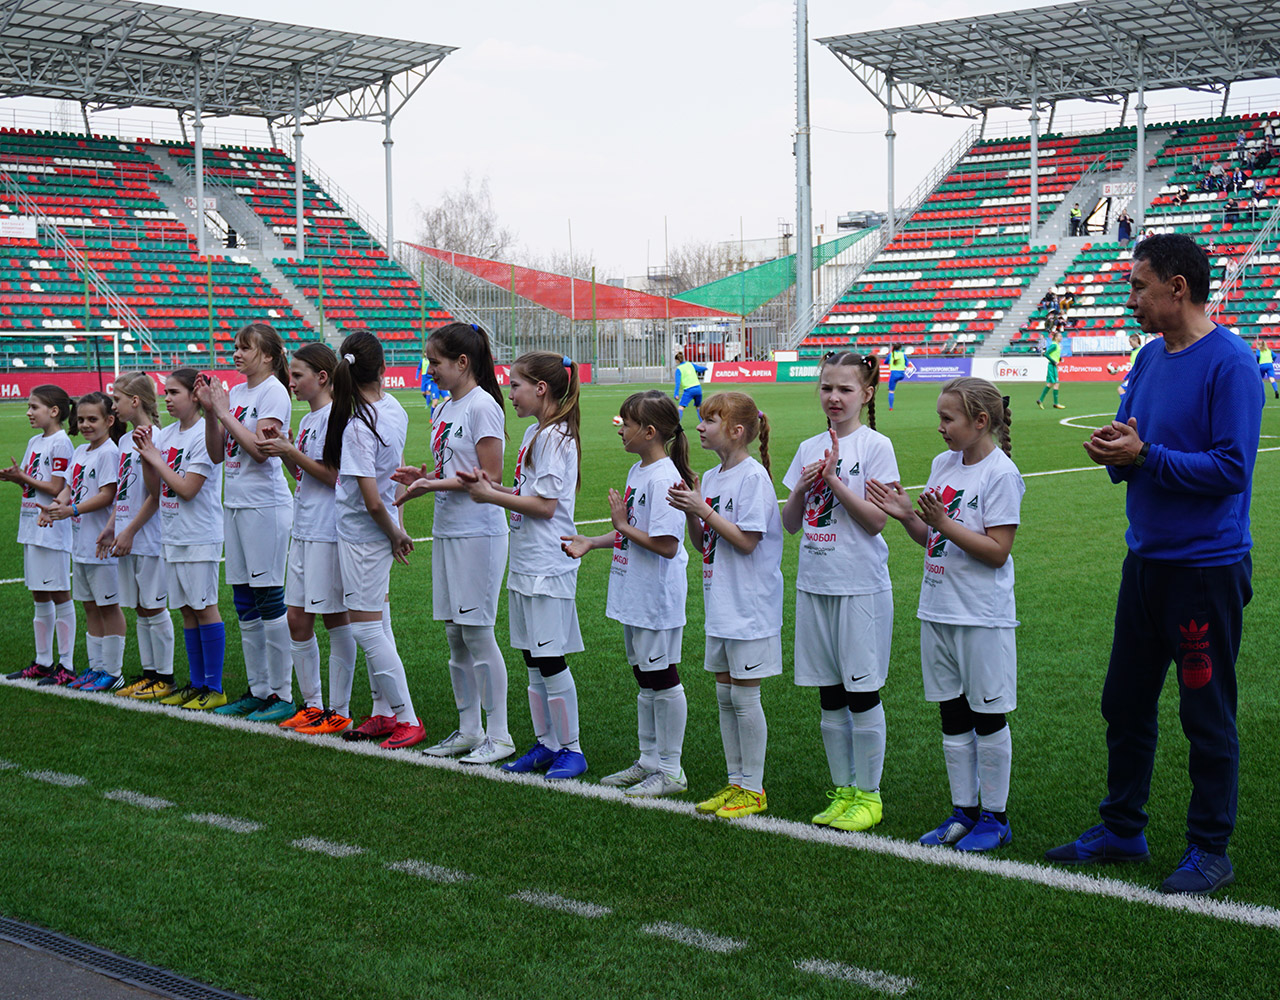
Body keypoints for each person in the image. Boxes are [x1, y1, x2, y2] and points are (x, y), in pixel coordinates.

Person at [1048, 233, 1263, 896]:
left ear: (1178, 287)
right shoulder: (1147, 356)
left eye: (1139, 287)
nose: (1130, 299)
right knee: (1124, 702)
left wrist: (1143, 457)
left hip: (1205, 570)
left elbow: (1231, 469)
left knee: (1206, 713)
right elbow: (1131, 436)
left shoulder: (1231, 363)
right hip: (1145, 561)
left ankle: (1210, 848)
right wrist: (1114, 449)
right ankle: (1123, 829)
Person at [868, 378, 1023, 852]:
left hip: (981, 615)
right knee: (952, 714)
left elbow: (997, 552)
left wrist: (941, 522)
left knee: (987, 715)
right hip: (937, 609)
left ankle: (995, 818)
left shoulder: (1001, 474)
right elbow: (933, 539)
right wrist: (908, 516)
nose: (940, 427)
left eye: (947, 418)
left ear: (980, 422)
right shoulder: (943, 464)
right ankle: (964, 812)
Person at [781, 352, 898, 832]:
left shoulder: (876, 446)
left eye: (845, 389)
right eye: (827, 387)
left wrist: (833, 479)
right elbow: (790, 524)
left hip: (859, 586)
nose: (834, 397)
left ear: (866, 394)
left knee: (861, 691)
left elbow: (876, 521)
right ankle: (843, 790)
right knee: (829, 694)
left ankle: (869, 795)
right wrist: (802, 488)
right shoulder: (809, 446)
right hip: (815, 583)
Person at [459, 352, 587, 780]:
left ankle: (571, 747)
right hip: (527, 560)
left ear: (541, 388)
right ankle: (546, 742)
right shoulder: (537, 432)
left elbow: (546, 507)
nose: (510, 393)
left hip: (548, 564)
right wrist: (493, 488)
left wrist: (492, 496)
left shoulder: (555, 437)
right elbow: (529, 493)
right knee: (532, 658)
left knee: (550, 659)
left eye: (515, 385)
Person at [561, 390, 693, 798]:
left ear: (649, 432)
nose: (620, 430)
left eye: (627, 423)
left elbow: (666, 544)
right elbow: (633, 530)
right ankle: (649, 760)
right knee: (644, 678)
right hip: (634, 589)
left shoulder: (665, 478)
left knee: (662, 678)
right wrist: (594, 541)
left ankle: (671, 770)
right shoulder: (640, 470)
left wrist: (620, 526)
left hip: (655, 595)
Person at [394, 322, 512, 765]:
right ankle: (468, 730)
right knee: (454, 634)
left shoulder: (483, 406)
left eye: (436, 362)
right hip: (448, 528)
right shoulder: (445, 407)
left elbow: (491, 477)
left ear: (463, 363)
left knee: (477, 633)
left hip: (479, 532)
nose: (430, 369)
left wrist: (432, 485)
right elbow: (452, 468)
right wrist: (423, 478)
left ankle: (499, 734)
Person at [668, 392, 783, 820]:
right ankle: (736, 782)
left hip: (749, 605)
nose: (699, 427)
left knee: (746, 697)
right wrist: (691, 510)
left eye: (710, 421)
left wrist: (703, 509)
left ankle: (753, 788)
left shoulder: (753, 477)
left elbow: (747, 541)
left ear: (736, 431)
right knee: (725, 694)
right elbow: (705, 544)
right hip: (722, 602)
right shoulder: (714, 477)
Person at [323, 332, 423, 750]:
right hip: (372, 533)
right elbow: (394, 475)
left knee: (365, 630)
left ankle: (407, 717)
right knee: (378, 623)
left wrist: (394, 532)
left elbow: (370, 499)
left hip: (364, 536)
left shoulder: (358, 426)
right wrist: (395, 525)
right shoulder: (392, 408)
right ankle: (384, 710)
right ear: (383, 369)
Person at [257, 343, 358, 734]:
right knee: (296, 619)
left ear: (322, 377)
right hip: (304, 529)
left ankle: (339, 709)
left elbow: (336, 478)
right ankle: (313, 705)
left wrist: (291, 451)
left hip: (327, 531)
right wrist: (284, 451)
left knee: (334, 618)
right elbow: (304, 475)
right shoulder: (311, 418)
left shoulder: (338, 417)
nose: (292, 382)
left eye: (298, 375)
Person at [198, 323, 295, 721]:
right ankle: (258, 690)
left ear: (268, 356)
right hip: (236, 504)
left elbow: (260, 450)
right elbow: (217, 454)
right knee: (243, 600)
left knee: (269, 596)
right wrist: (211, 413)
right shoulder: (236, 393)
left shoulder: (273, 391)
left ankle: (282, 694)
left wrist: (222, 411)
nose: (236, 353)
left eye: (245, 348)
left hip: (264, 506)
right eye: (235, 347)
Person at [137, 370, 227, 710]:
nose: (167, 398)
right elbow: (156, 490)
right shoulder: (167, 434)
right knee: (187, 610)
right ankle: (197, 682)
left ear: (195, 396)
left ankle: (214, 687)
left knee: (204, 608)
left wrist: (157, 459)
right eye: (166, 392)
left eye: (174, 392)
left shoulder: (204, 434)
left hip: (199, 534)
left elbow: (188, 490)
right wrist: (146, 455)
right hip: (173, 533)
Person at [41, 393, 124, 691]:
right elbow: (68, 488)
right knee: (90, 606)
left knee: (109, 607)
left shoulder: (109, 453)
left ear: (109, 421)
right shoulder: (80, 451)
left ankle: (113, 672)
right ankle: (96, 667)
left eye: (93, 419)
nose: (86, 425)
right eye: (81, 419)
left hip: (101, 545)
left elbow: (107, 494)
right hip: (81, 545)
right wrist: (56, 506)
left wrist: (73, 509)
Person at [107, 374, 175, 700]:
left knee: (154, 606)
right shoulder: (124, 441)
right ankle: (149, 674)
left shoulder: (157, 438)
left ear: (135, 401)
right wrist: (113, 526)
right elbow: (125, 489)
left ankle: (165, 677)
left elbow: (156, 494)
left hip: (147, 536)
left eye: (117, 399)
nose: (113, 406)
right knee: (139, 606)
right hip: (126, 533)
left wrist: (130, 531)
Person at [1, 386, 75, 682]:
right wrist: (16, 479)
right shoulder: (35, 441)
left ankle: (66, 664)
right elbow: (32, 483)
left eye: (34, 407)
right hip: (32, 526)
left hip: (51, 528)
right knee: (39, 594)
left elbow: (57, 487)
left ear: (53, 411)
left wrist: (23, 477)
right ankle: (43, 661)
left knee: (59, 593)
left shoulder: (61, 443)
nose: (28, 412)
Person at [673, 352, 706, 419]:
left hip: (689, 390)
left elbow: (678, 383)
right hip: (698, 388)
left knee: (681, 407)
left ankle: (677, 423)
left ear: (677, 360)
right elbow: (699, 369)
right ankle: (703, 423)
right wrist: (706, 368)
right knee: (698, 407)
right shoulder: (690, 364)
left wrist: (676, 394)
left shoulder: (679, 369)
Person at [1037, 330, 1065, 409]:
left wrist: (1059, 358)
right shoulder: (1054, 345)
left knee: (1050, 384)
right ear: (1056, 338)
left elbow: (1053, 355)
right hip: (1052, 366)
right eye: (1060, 336)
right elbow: (1046, 354)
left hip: (1052, 366)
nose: (1061, 337)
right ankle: (1055, 403)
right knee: (1056, 383)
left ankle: (1040, 400)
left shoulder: (1057, 345)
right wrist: (1054, 362)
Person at [887, 343, 908, 410]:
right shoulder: (903, 354)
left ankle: (891, 407)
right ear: (900, 348)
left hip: (894, 374)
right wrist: (904, 366)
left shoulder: (891, 354)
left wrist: (890, 362)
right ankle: (891, 385)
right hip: (901, 374)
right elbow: (907, 363)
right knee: (894, 381)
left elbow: (885, 362)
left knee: (891, 391)